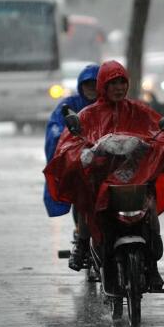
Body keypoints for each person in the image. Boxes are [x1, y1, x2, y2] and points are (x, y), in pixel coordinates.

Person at [43, 60, 164, 287]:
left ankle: (153, 262)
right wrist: (84, 155)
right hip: (101, 179)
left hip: (135, 178)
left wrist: (159, 148)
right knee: (87, 204)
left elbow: (163, 134)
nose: (118, 87)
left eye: (122, 82)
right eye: (112, 83)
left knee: (150, 204)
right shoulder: (88, 115)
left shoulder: (140, 111)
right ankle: (83, 241)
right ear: (103, 86)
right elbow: (67, 144)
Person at [43, 63, 99, 270]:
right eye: (88, 84)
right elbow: (56, 127)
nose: (92, 89)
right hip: (84, 163)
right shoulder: (70, 105)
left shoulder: (112, 104)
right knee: (83, 198)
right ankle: (82, 241)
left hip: (111, 163)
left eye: (96, 84)